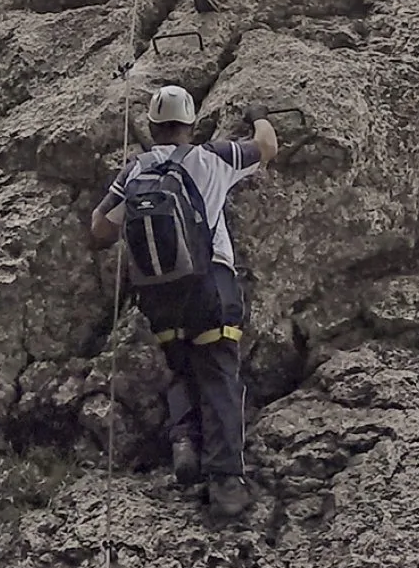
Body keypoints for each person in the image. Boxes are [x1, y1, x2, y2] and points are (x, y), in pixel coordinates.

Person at [91, 86, 279, 518]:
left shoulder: (135, 169)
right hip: (210, 281)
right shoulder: (213, 157)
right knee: (217, 371)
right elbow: (267, 147)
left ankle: (184, 445)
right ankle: (226, 480)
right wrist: (259, 115)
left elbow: (99, 229)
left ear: (153, 127)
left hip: (159, 293)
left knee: (180, 365)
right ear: (190, 124)